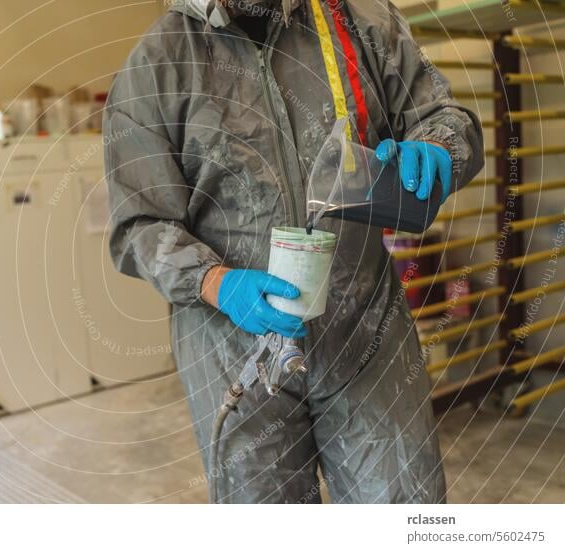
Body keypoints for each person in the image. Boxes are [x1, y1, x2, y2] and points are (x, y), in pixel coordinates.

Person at [103, 0, 483, 503]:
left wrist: (437, 145)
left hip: (365, 333)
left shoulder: (359, 20)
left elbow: (441, 114)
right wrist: (215, 281)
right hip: (231, 348)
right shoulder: (158, 62)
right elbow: (139, 224)